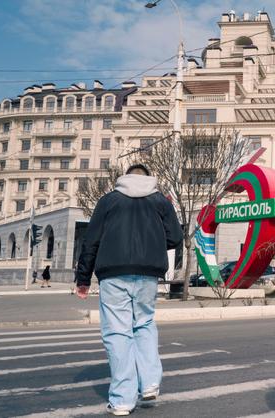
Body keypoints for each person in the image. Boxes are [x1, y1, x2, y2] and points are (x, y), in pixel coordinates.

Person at [75, 164, 182, 416]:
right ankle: (150, 383)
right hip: (148, 273)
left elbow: (91, 241)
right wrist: (152, 242)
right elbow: (176, 237)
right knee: (144, 324)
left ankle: (123, 399)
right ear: (149, 178)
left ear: (125, 178)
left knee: (117, 332)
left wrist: (83, 278)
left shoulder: (108, 200)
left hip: (113, 273)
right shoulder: (161, 201)